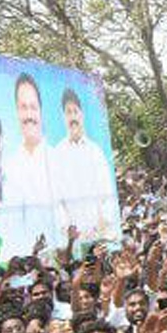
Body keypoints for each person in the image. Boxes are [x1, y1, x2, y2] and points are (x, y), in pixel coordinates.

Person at [0, 73, 57, 255]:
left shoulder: (58, 158)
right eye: (23, 107)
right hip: (25, 262)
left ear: (40, 110)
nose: (29, 115)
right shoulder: (9, 166)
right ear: (16, 111)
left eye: (33, 107)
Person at [52, 88, 117, 241]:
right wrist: (68, 229)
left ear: (82, 115)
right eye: (68, 112)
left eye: (75, 111)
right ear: (63, 117)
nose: (72, 117)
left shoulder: (96, 152)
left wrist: (101, 225)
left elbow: (107, 195)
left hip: (100, 234)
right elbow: (56, 200)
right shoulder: (57, 154)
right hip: (72, 239)